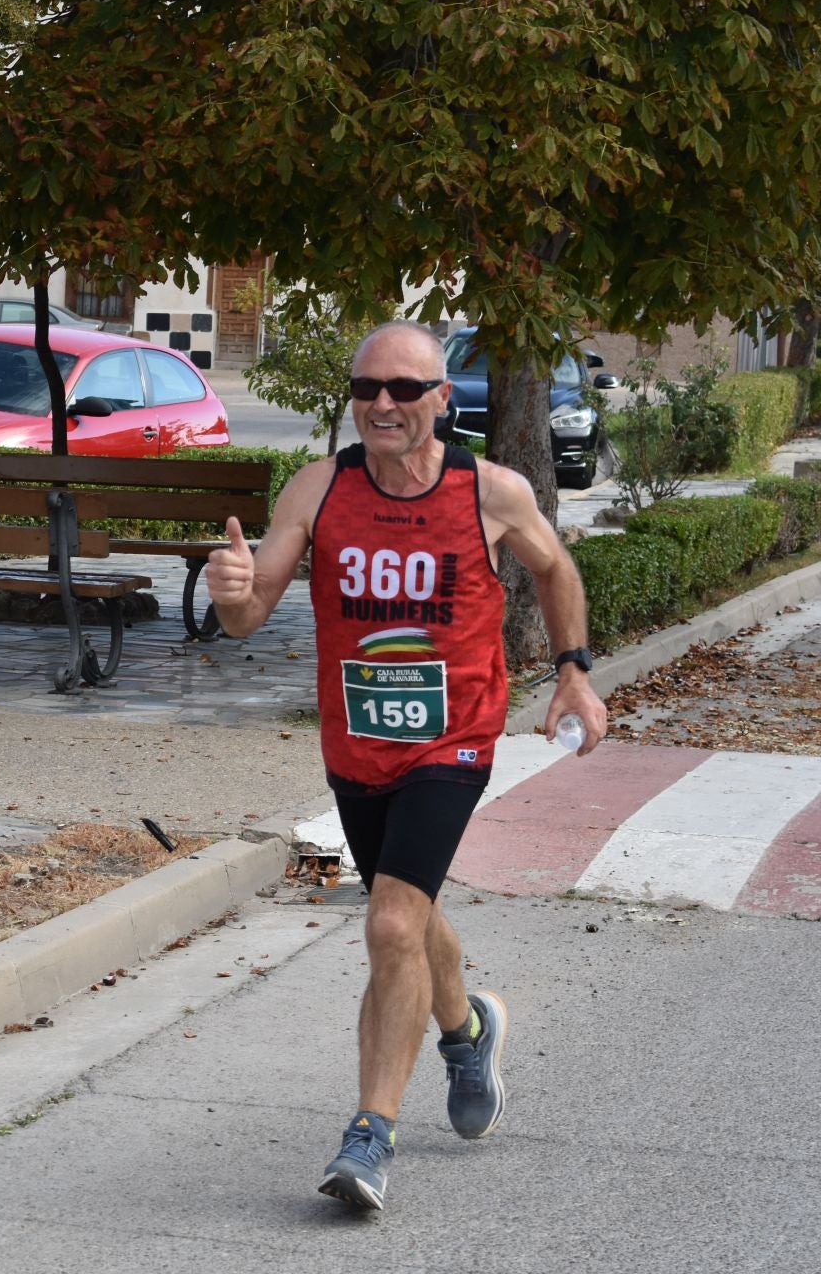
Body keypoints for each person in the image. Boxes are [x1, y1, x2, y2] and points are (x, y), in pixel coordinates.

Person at [204, 319, 608, 1211]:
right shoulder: (318, 489)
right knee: (411, 917)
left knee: (388, 924)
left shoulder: (490, 492)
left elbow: (557, 570)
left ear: (441, 401)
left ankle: (369, 1136)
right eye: (365, 390)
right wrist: (230, 591)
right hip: (357, 743)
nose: (380, 405)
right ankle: (467, 1034)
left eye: (401, 389)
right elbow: (251, 611)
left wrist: (574, 675)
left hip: (453, 738)